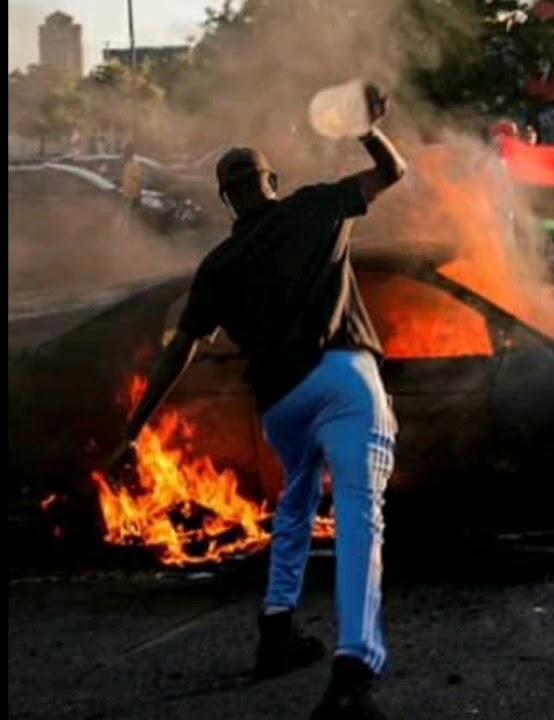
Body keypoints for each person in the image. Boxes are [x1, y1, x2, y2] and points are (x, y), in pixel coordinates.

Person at [106, 83, 406, 719]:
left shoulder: (217, 264)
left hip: (280, 403)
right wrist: (364, 126)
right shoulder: (313, 206)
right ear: (271, 180)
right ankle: (352, 669)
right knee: (358, 515)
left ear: (225, 199)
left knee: (296, 500)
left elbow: (178, 351)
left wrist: (135, 428)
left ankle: (276, 629)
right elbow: (391, 171)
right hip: (344, 376)